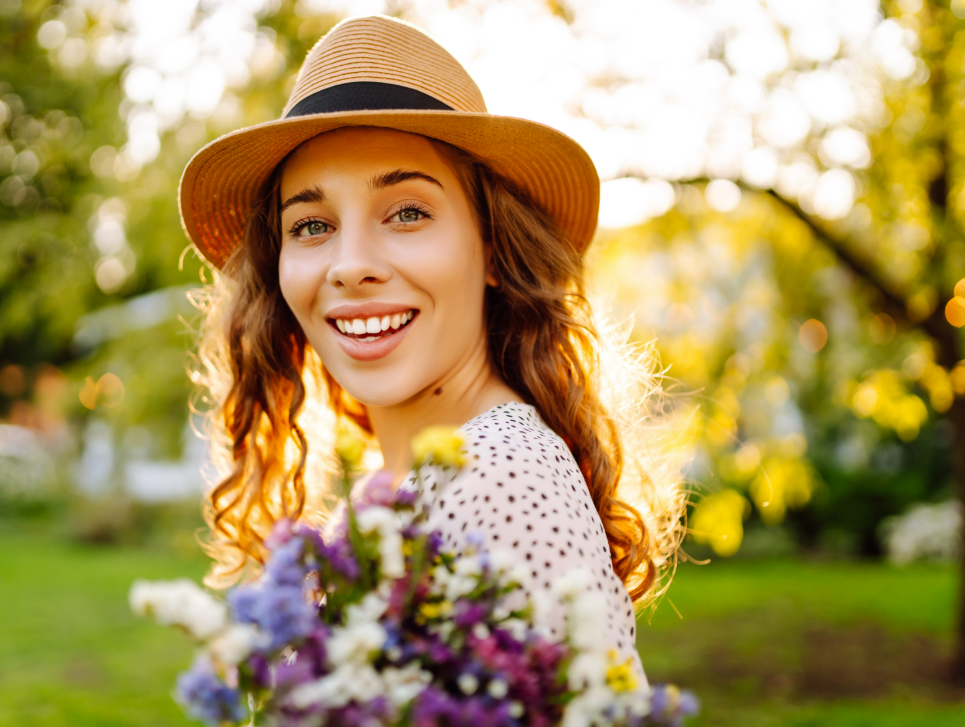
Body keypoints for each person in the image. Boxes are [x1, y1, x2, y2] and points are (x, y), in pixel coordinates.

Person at [183, 15, 681, 686]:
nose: (350, 264)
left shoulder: (502, 475)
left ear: (494, 249)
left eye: (407, 211)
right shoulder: (386, 495)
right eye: (311, 224)